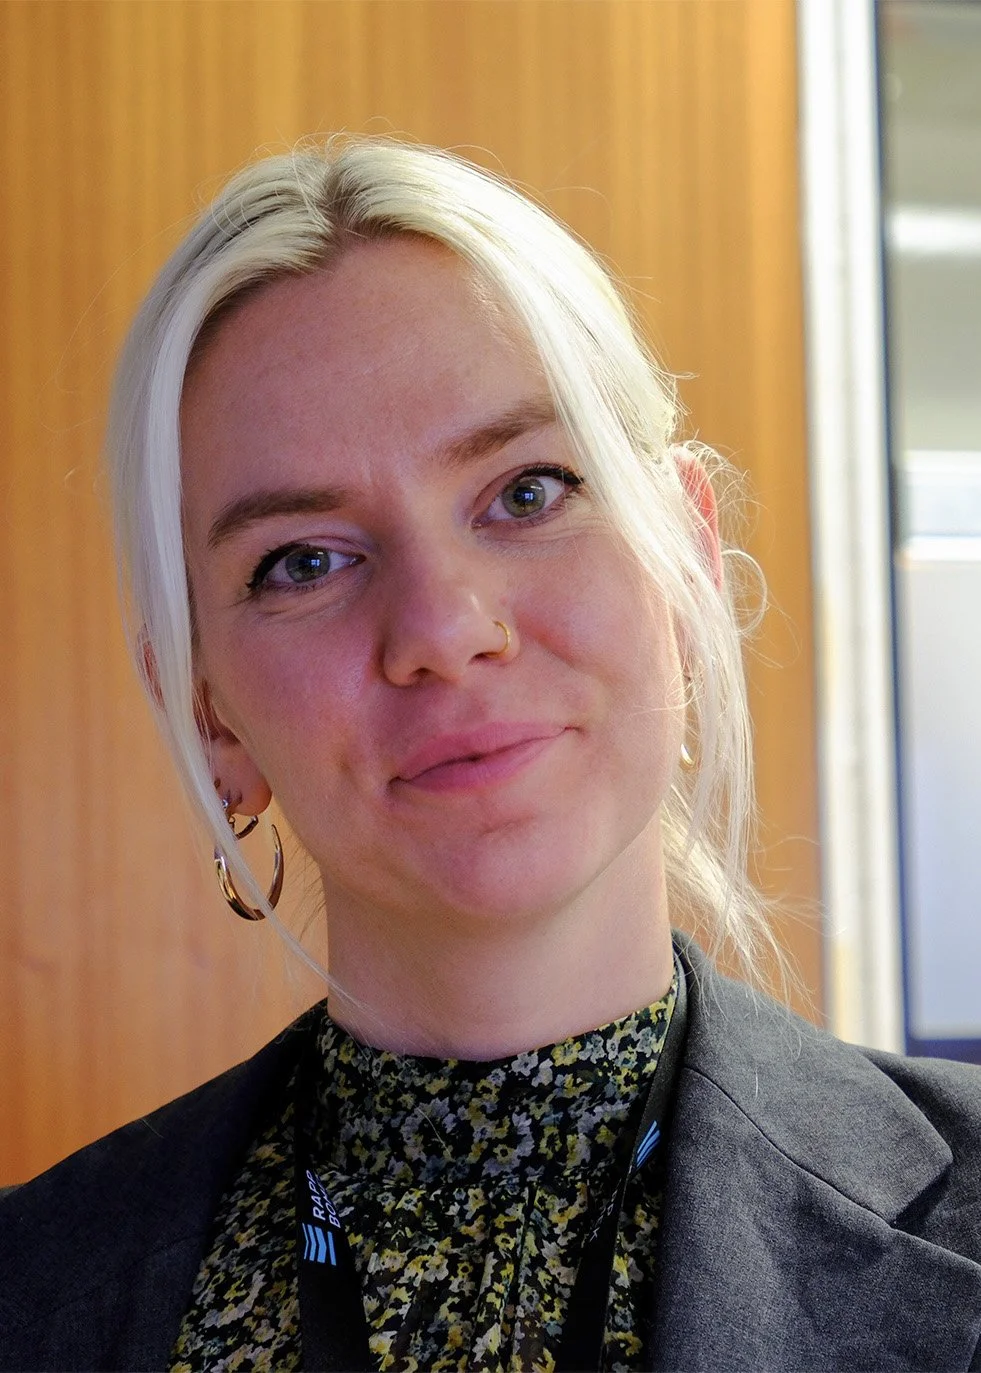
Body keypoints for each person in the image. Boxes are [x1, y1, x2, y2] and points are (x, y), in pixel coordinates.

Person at [2, 136, 980, 1373]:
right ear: (209, 713)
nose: (446, 630)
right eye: (303, 559)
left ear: (683, 565)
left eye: (527, 491)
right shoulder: (30, 1296)